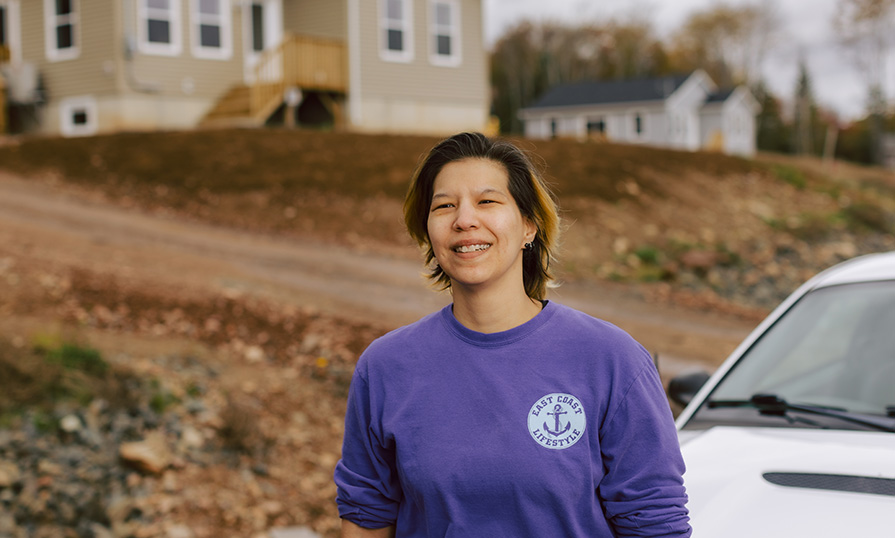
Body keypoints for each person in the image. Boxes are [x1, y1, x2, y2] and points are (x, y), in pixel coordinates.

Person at [333, 132, 691, 537]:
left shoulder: (612, 360)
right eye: (444, 205)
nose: (464, 219)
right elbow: (366, 516)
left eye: (487, 201)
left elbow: (655, 521)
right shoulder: (385, 367)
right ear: (429, 233)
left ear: (529, 226)